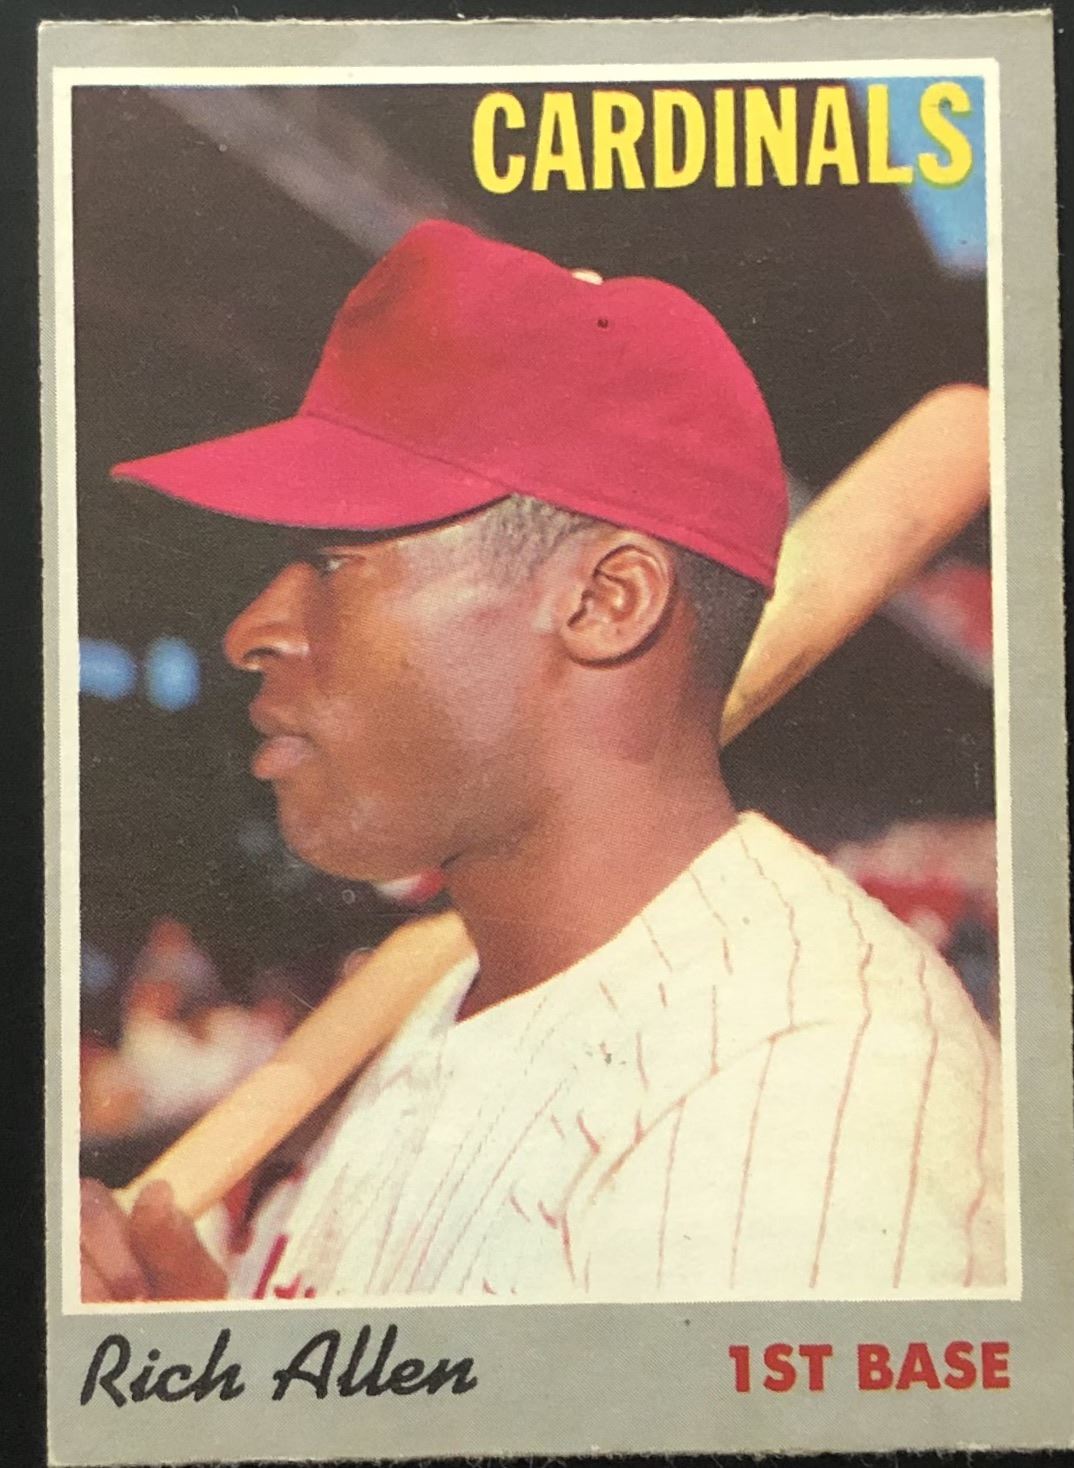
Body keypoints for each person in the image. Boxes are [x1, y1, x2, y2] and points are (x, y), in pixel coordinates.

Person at [80, 220, 1004, 1303]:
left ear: (607, 602)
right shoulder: (442, 992)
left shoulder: (806, 1083)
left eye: (334, 562)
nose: (252, 629)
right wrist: (191, 1363)